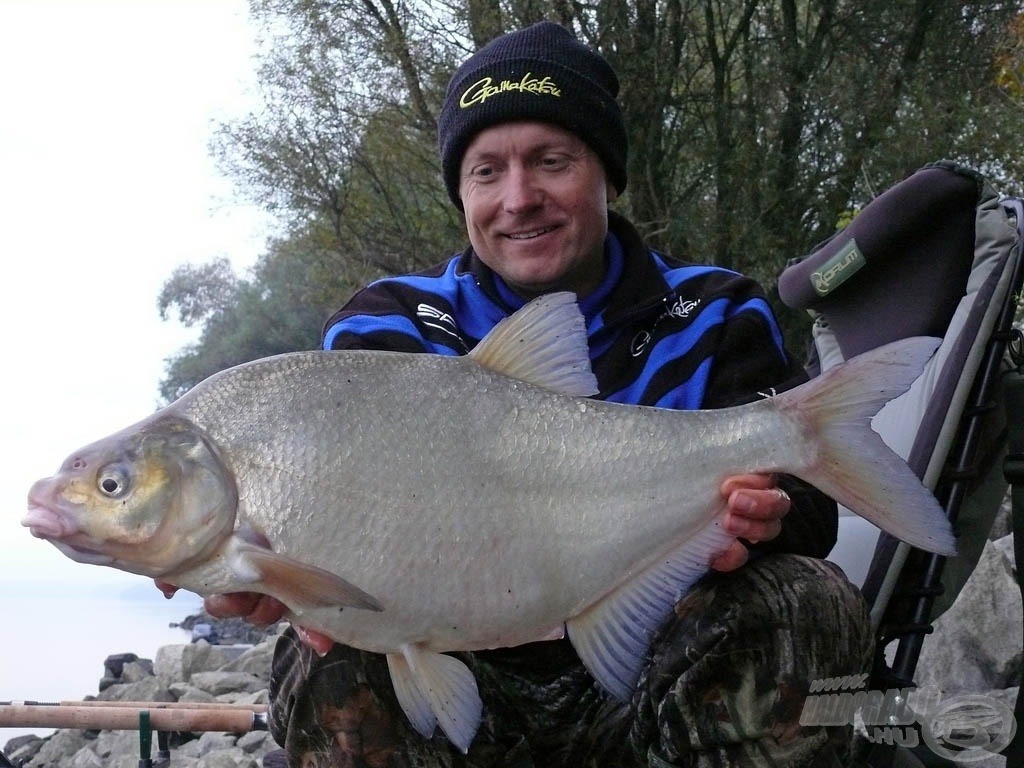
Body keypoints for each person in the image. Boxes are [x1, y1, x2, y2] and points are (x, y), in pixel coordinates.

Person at [187, 21, 871, 768]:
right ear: (461, 193)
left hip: (659, 659)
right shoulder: (386, 324)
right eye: (487, 172)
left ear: (606, 173)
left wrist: (769, 517)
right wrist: (273, 579)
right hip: (467, 676)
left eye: (552, 161)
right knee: (327, 653)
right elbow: (327, 522)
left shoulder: (714, 309)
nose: (519, 199)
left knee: (808, 598)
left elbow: (812, 517)